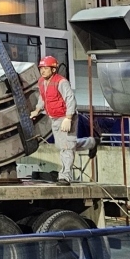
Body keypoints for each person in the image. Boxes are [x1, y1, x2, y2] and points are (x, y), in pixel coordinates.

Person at [30, 56, 96, 185]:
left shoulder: (61, 82)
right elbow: (43, 98)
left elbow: (70, 99)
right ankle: (91, 142)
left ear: (53, 69)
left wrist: (68, 118)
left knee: (66, 147)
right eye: (41, 68)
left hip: (65, 117)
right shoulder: (41, 82)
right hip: (54, 118)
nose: (42, 71)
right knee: (63, 146)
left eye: (45, 68)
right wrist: (37, 110)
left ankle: (65, 176)